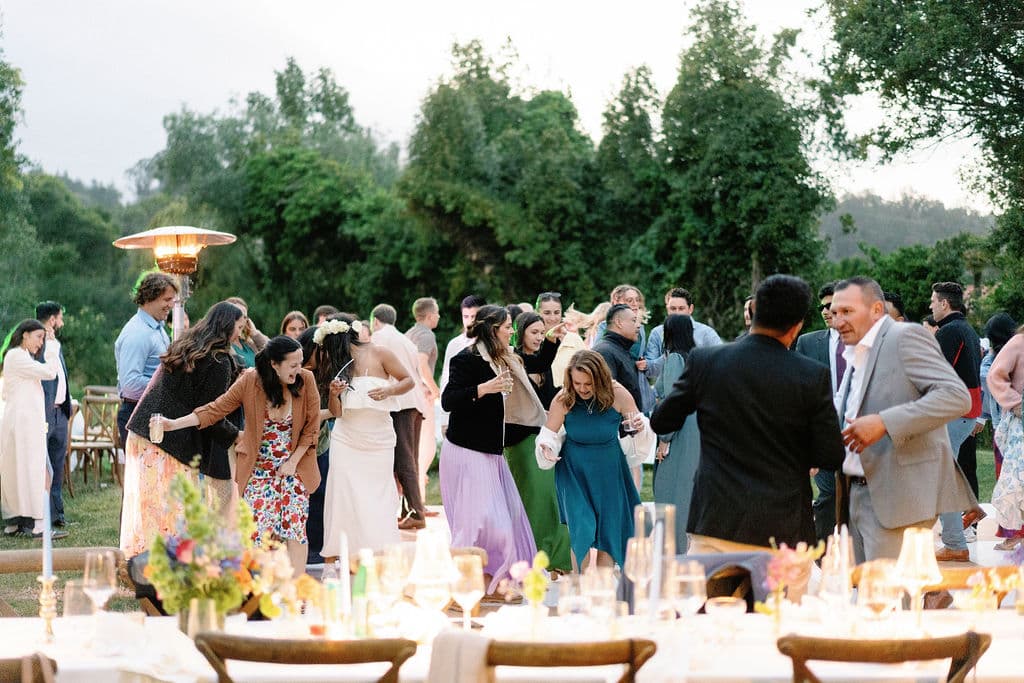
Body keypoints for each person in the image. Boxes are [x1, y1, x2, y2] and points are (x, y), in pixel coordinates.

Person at [651, 275, 845, 554]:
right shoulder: (811, 375)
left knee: (717, 599)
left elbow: (661, 420)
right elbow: (830, 454)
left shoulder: (705, 361)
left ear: (752, 312)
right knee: (780, 599)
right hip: (782, 524)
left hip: (717, 519)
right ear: (798, 324)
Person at [830, 276, 976, 563]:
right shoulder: (855, 352)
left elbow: (956, 396)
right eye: (835, 313)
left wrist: (885, 422)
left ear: (875, 310)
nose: (837, 321)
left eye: (847, 312)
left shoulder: (905, 337)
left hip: (895, 497)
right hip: (853, 494)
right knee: (867, 598)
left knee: (892, 601)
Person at [158, 335, 321, 576]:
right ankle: (260, 591)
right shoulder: (251, 381)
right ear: (274, 364)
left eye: (300, 363)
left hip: (294, 469)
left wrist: (292, 462)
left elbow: (311, 428)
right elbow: (216, 408)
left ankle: (297, 592)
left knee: (295, 530)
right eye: (293, 365)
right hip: (259, 471)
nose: (299, 370)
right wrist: (173, 424)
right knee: (256, 534)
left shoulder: (306, 380)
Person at [119, 302, 246, 557]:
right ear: (226, 326)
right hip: (167, 438)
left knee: (145, 504)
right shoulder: (218, 360)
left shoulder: (188, 346)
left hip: (143, 430)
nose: (240, 334)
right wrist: (238, 436)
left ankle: (139, 563)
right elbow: (210, 412)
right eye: (239, 327)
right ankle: (161, 568)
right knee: (168, 509)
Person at [441, 305, 543, 594]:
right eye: (508, 326)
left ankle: (493, 584)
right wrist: (485, 388)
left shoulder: (503, 358)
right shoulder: (466, 359)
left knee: (504, 520)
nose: (512, 331)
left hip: (491, 452)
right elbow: (449, 400)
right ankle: (468, 585)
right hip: (466, 449)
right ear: (492, 328)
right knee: (483, 524)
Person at [536, 349, 645, 569]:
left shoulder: (618, 393)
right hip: (574, 471)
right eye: (578, 383)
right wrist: (546, 448)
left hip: (610, 469)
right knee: (581, 528)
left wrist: (639, 427)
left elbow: (636, 427)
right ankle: (581, 588)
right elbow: (548, 434)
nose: (583, 389)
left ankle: (602, 589)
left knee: (609, 531)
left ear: (601, 379)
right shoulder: (564, 398)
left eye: (589, 384)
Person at [320, 315, 414, 558]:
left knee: (378, 496)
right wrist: (332, 394)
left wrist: (389, 389)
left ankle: (378, 551)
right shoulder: (336, 364)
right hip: (346, 439)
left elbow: (408, 381)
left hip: (379, 440)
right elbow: (336, 412)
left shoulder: (381, 353)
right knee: (341, 495)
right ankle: (334, 557)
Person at [505, 311, 572, 573]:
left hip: (543, 435)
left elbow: (543, 361)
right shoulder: (513, 359)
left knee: (549, 499)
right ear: (520, 332)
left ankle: (556, 558)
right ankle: (530, 556)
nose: (538, 337)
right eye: (534, 332)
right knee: (530, 499)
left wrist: (551, 340)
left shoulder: (538, 362)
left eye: (540, 332)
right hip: (519, 438)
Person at [928, 281, 983, 561]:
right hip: (966, 412)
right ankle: (966, 516)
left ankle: (954, 541)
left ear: (944, 304)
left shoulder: (949, 332)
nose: (930, 306)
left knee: (940, 478)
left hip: (953, 413)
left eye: (933, 301)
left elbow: (933, 375)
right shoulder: (968, 330)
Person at [1, 319, 65, 539]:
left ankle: (15, 524)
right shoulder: (17, 357)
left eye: (43, 338)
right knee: (38, 472)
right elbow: (49, 372)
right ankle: (38, 525)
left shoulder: (19, 357)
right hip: (23, 426)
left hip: (23, 425)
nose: (41, 343)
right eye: (38, 337)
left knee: (22, 472)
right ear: (24, 335)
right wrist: (54, 347)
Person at [794, 282, 844, 543]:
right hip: (821, 431)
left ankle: (858, 555)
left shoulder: (863, 343)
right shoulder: (807, 343)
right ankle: (823, 553)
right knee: (826, 494)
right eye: (822, 306)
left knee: (857, 497)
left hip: (859, 431)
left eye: (830, 306)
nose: (825, 311)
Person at [370, 303, 428, 530]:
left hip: (400, 403)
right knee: (410, 458)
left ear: (375, 320)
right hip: (415, 402)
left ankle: (416, 511)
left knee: (403, 459)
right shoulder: (406, 340)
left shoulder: (379, 338)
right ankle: (408, 509)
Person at [652, 314, 700, 553]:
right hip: (698, 428)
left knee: (671, 493)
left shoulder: (674, 359)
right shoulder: (697, 357)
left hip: (678, 429)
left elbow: (672, 401)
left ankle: (674, 552)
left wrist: (664, 439)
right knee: (689, 492)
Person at [114, 272, 179, 450]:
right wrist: (168, 385)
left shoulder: (158, 328)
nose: (171, 305)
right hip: (137, 414)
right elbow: (130, 384)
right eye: (167, 299)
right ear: (150, 297)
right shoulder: (138, 333)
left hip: (152, 413)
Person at [979, 313, 1023, 549]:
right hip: (1017, 425)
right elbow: (994, 374)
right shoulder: (1018, 342)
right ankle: (1013, 533)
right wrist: (1014, 402)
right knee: (1013, 481)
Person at [36, 301, 72, 529]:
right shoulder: (36, 343)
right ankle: (39, 516)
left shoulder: (55, 343)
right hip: (44, 413)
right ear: (52, 319)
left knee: (58, 465)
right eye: (60, 317)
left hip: (61, 413)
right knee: (41, 465)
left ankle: (57, 514)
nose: (62, 322)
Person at [644, 287, 723, 384]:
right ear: (667, 309)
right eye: (673, 309)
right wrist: (669, 356)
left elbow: (722, 361)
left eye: (681, 308)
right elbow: (649, 370)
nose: (677, 313)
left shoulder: (706, 333)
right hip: (667, 393)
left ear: (690, 309)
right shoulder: (657, 333)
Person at [405, 297, 442, 504]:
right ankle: (418, 503)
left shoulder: (409, 333)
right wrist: (433, 389)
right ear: (429, 315)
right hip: (421, 397)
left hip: (409, 397)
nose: (438, 316)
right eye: (436, 313)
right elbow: (422, 363)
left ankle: (418, 500)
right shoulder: (426, 335)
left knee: (415, 448)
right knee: (425, 449)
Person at [593, 304, 643, 411]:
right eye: (634, 320)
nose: (638, 325)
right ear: (619, 323)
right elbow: (606, 396)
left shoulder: (621, 349)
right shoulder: (604, 352)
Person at [224, 297, 268, 369]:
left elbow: (273, 354)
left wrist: (255, 334)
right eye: (237, 315)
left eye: (244, 317)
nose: (241, 320)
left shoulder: (249, 343)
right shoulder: (224, 345)